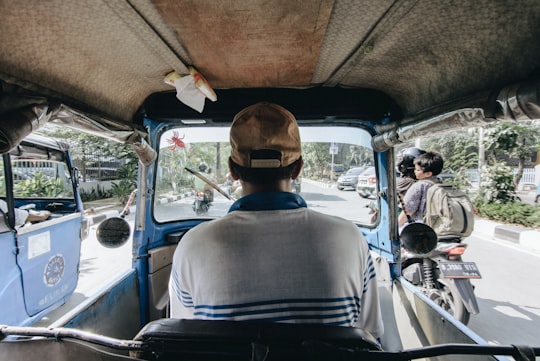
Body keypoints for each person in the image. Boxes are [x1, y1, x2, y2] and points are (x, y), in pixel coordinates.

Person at [169, 102, 383, 339]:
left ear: (233, 169)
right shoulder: (350, 238)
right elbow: (369, 337)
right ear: (298, 168)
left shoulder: (193, 245)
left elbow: (186, 336)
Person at [398, 151, 444, 227]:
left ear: (428, 173)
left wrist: (395, 227)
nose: (415, 172)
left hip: (424, 227)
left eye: (418, 170)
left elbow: (408, 211)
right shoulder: (441, 184)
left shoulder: (419, 186)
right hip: (441, 226)